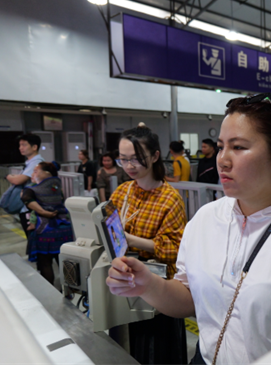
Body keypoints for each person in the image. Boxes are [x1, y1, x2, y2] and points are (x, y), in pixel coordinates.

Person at [106, 93, 271, 365]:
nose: (222, 160)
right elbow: (188, 298)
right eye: (221, 146)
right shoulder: (205, 219)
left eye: (238, 147)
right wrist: (148, 285)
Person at [109, 123, 188, 365]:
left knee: (155, 355)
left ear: (154, 156)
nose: (129, 166)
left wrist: (130, 240)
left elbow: (175, 248)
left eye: (136, 159)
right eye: (123, 160)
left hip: (157, 291)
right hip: (123, 285)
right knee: (123, 349)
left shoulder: (170, 199)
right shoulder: (122, 193)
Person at [21, 162, 73, 286]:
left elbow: (26, 199)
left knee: (45, 263)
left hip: (46, 231)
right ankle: (71, 291)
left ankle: (50, 293)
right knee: (65, 262)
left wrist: (44, 212)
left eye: (36, 171)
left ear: (47, 174)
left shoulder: (32, 189)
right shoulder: (58, 187)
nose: (33, 174)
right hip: (65, 229)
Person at [6, 133, 45, 236]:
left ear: (34, 147)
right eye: (20, 145)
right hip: (27, 206)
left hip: (31, 208)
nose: (20, 148)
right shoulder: (30, 162)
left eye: (24, 145)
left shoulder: (36, 163)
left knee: (33, 238)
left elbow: (18, 180)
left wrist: (9, 176)